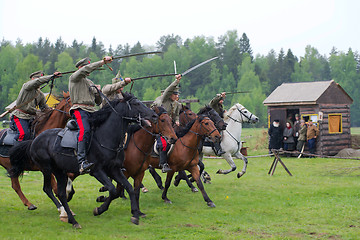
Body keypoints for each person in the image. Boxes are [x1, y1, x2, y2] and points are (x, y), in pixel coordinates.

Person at [69, 56, 112, 174]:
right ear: (80, 68)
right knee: (85, 130)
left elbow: (98, 102)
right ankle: (81, 161)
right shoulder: (74, 78)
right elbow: (86, 70)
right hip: (79, 109)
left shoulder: (90, 82)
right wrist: (102, 62)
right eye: (85, 67)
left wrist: (98, 92)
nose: (87, 70)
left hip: (92, 110)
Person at [10, 70, 61, 142]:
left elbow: (44, 108)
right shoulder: (26, 86)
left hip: (32, 118)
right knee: (24, 134)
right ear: (33, 79)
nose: (40, 81)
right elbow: (38, 81)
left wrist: (53, 110)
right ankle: (15, 152)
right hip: (20, 116)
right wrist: (52, 76)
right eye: (38, 79)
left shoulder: (40, 94)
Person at [152, 74, 182, 173]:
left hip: (169, 125)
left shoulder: (177, 104)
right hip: (158, 124)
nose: (176, 96)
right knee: (163, 143)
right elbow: (168, 89)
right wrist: (176, 81)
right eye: (174, 94)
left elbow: (176, 115)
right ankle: (163, 163)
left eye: (177, 94)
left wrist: (177, 120)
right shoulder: (163, 100)